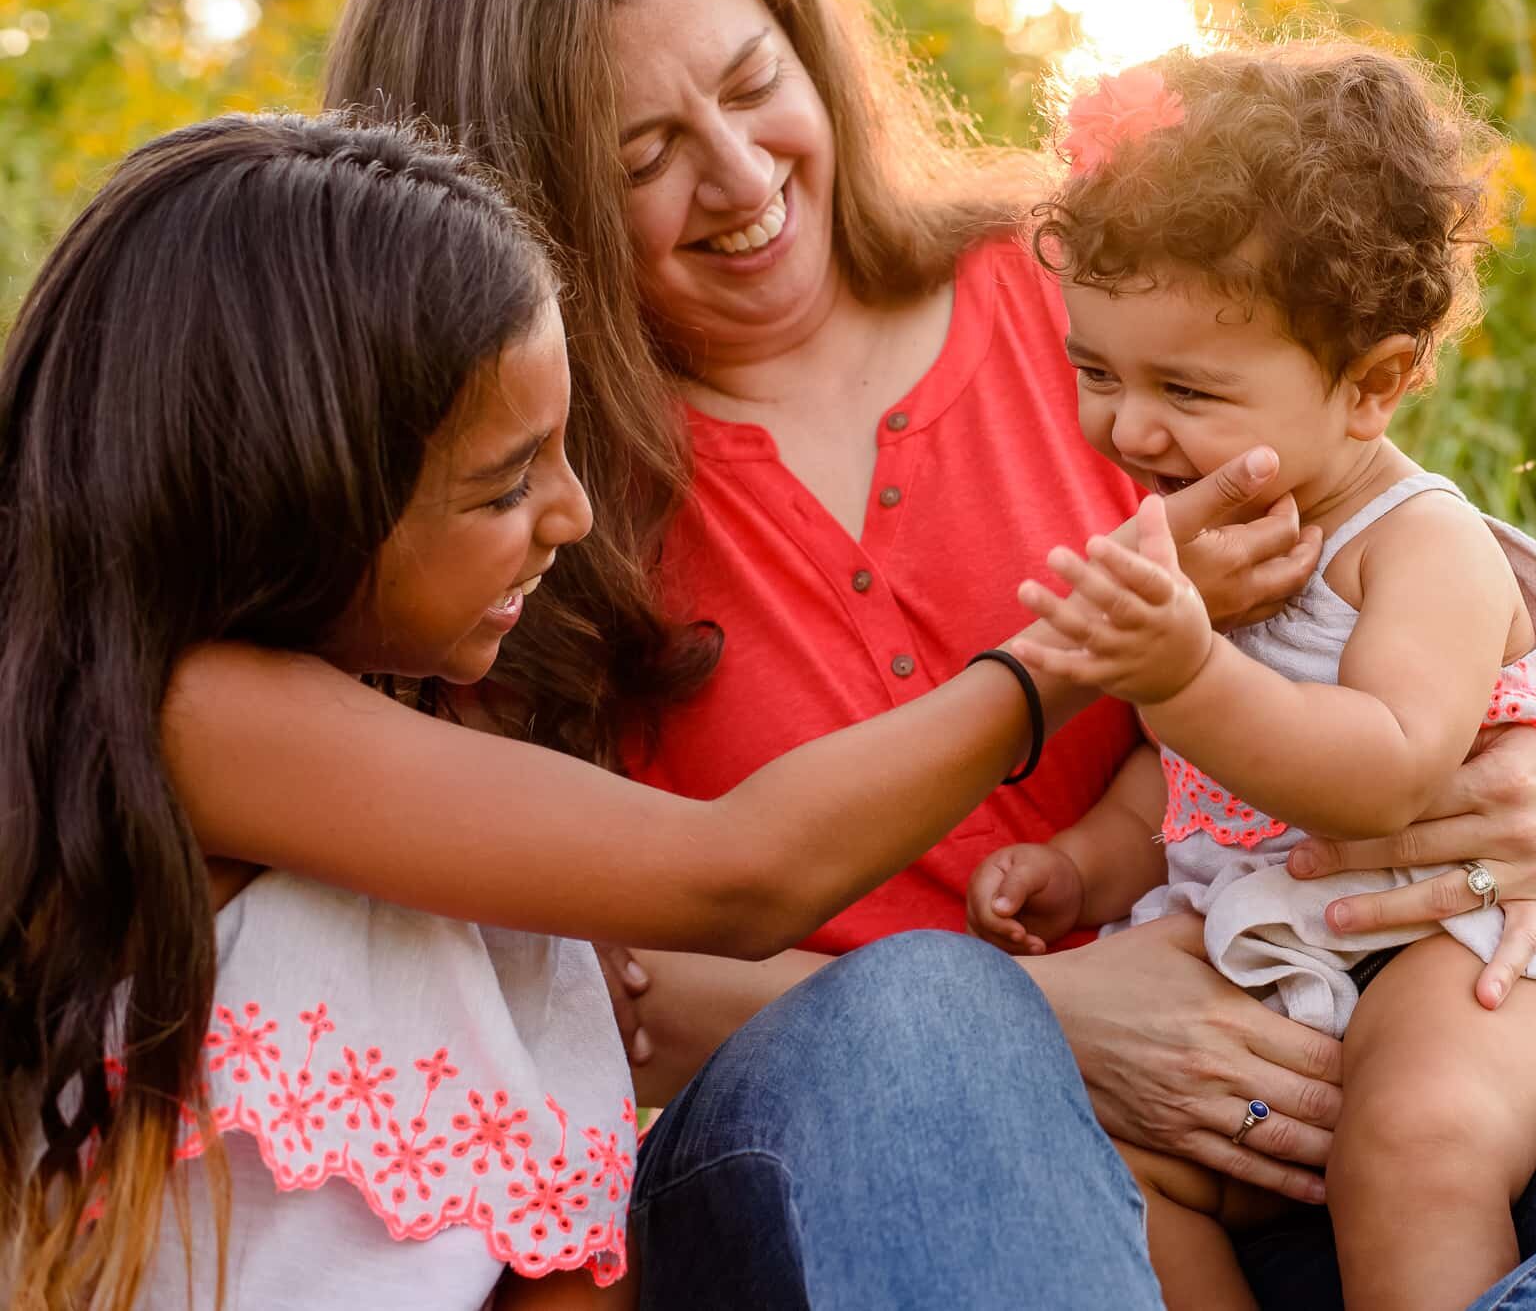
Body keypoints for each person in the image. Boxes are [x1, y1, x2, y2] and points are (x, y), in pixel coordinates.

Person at [314, 0, 1536, 1308]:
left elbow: (1404, 555)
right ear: (518, 191)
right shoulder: (518, 487)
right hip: (863, 1171)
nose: (743, 181)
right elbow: (522, 964)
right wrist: (1041, 1022)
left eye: (753, 88)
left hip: (1307, 1106)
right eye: (642, 153)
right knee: (923, 1019)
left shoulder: (1096, 297)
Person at [0, 114, 1170, 1310]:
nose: (571, 515)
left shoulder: (424, 760)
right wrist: (1066, 655)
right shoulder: (193, 720)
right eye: (507, 481)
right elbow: (738, 872)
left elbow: (553, 1236)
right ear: (288, 494)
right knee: (934, 1001)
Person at [965, 46, 1536, 1310]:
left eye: (1185, 388)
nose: (1129, 430)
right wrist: (1081, 865)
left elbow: (1382, 770)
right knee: (1118, 1159)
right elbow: (1177, 783)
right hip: (1291, 952)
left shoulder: (1418, 545)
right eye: (1096, 373)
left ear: (1374, 383)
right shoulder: (1199, 527)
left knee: (1409, 1140)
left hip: (1471, 939)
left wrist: (1182, 668)